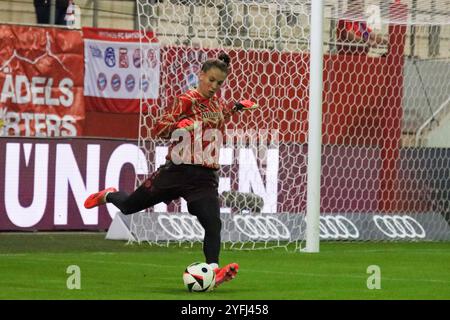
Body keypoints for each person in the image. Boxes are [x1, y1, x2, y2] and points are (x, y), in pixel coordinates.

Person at [84, 53, 258, 288]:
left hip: (204, 177)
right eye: (211, 80)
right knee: (128, 206)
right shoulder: (186, 99)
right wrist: (179, 126)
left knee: (213, 223)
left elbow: (215, 117)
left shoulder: (216, 104)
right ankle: (109, 195)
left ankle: (214, 271)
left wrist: (235, 107)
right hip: (176, 171)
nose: (214, 87)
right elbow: (158, 129)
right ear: (201, 76)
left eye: (219, 83)